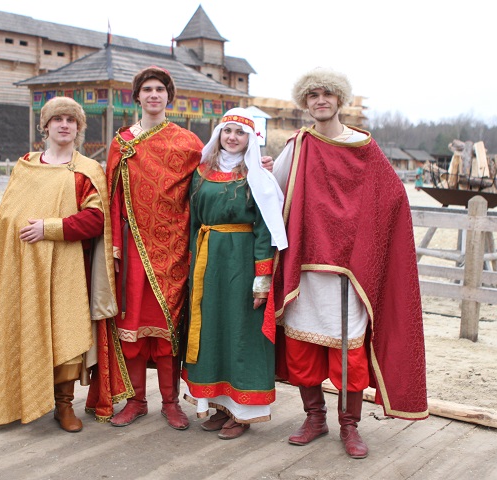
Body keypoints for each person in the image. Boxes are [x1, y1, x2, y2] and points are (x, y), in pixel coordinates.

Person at [268, 68, 428, 459]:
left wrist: (366, 239)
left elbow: (392, 197)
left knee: (349, 355)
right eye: (313, 95)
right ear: (306, 103)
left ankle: (349, 426)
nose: (320, 100)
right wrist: (262, 171)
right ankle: (315, 418)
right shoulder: (298, 146)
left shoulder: (364, 148)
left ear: (339, 100)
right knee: (303, 349)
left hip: (351, 272)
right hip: (306, 267)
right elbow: (276, 193)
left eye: (327, 94)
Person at [0, 96, 131, 431]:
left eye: (71, 120)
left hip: (66, 268)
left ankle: (63, 406)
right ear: (46, 126)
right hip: (22, 268)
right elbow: (7, 215)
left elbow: (96, 220)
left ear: (79, 128)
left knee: (64, 333)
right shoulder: (25, 166)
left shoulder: (86, 171)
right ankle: (3, 402)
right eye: (58, 119)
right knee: (15, 327)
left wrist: (49, 228)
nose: (64, 125)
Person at [101, 66, 204, 430]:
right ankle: (136, 401)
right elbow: (111, 197)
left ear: (168, 96)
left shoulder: (188, 143)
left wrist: (257, 166)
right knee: (131, 324)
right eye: (147, 89)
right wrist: (114, 247)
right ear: (138, 97)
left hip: (174, 247)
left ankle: (171, 403)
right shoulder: (122, 142)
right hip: (132, 247)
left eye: (160, 89)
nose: (154, 94)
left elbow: (211, 179)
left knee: (167, 327)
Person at [181, 108, 288, 440]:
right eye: (227, 131)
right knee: (212, 330)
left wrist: (262, 279)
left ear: (250, 139)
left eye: (240, 133)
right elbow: (193, 221)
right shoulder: (201, 172)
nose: (232, 137)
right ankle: (218, 406)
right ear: (219, 134)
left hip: (241, 262)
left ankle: (243, 412)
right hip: (207, 261)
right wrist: (191, 264)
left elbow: (265, 230)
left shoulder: (258, 177)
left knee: (241, 331)